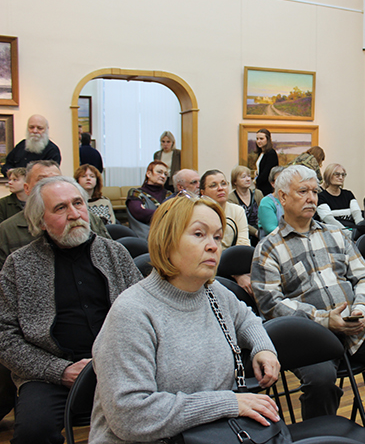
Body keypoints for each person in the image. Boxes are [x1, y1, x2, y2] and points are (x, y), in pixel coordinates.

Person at [251, 165, 365, 420]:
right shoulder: (268, 248)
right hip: (310, 336)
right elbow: (271, 305)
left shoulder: (337, 234)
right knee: (320, 380)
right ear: (282, 197)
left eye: (314, 192)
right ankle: (322, 434)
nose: (311, 198)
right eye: (303, 191)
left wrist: (361, 308)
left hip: (355, 328)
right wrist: (324, 320)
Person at [89, 195, 280, 444]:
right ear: (166, 241)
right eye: (199, 234)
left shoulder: (212, 291)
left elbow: (245, 319)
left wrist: (263, 348)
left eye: (217, 237)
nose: (213, 246)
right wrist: (228, 403)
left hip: (208, 435)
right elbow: (130, 416)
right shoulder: (132, 312)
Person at [0, 176, 141, 444]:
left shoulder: (115, 254)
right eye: (60, 208)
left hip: (119, 366)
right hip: (49, 374)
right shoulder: (19, 265)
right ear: (41, 221)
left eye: (78, 203)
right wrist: (59, 370)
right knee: (33, 432)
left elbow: (145, 313)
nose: (75, 214)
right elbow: (4, 336)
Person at [0, 160, 110, 267]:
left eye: (56, 180)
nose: (51, 187)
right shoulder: (7, 231)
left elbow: (109, 257)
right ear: (27, 188)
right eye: (42, 181)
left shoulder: (89, 220)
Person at [200, 170, 250, 249]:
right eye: (213, 185)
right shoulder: (198, 212)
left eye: (223, 184)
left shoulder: (237, 210)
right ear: (203, 192)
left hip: (233, 255)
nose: (220, 188)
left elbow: (243, 245)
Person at [126, 160, 172, 239]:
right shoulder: (135, 193)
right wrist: (166, 213)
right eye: (159, 172)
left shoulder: (169, 195)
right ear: (148, 174)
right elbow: (139, 213)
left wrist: (149, 211)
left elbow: (176, 214)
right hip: (144, 237)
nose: (163, 176)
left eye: (165, 174)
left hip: (167, 237)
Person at [316, 163, 362, 229]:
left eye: (343, 175)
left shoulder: (348, 194)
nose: (341, 178)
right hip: (332, 232)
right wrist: (345, 231)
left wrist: (360, 229)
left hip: (353, 230)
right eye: (337, 174)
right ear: (328, 176)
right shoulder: (321, 197)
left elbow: (357, 215)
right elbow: (328, 219)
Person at [229, 165, 263, 245]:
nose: (248, 179)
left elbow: (264, 214)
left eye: (249, 176)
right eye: (243, 177)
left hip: (260, 233)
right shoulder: (231, 199)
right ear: (235, 181)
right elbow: (236, 222)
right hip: (242, 236)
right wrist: (255, 232)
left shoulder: (257, 194)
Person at [258, 166, 285, 238]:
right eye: (280, 179)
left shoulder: (292, 200)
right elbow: (271, 229)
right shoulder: (266, 202)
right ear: (273, 183)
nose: (284, 182)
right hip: (272, 242)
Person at [254, 128, 278, 197]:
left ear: (267, 139)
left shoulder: (271, 153)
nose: (258, 141)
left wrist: (256, 181)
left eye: (261, 139)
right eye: (257, 139)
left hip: (267, 188)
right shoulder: (261, 153)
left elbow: (267, 173)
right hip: (261, 187)